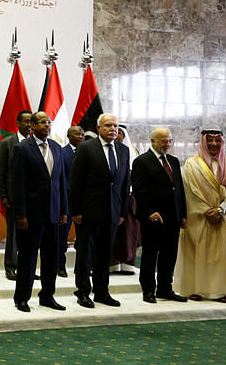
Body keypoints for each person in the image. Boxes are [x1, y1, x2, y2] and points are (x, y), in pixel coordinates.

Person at [69, 113, 130, 308]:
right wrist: (76, 211)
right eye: (108, 125)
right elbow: (75, 181)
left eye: (115, 125)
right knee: (85, 255)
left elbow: (123, 184)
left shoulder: (123, 150)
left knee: (105, 255)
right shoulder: (86, 148)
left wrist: (122, 212)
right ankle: (83, 292)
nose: (113, 129)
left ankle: (102, 292)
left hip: (112, 213)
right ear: (98, 129)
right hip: (88, 212)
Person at [10, 111, 68, 312]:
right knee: (28, 258)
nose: (47, 125)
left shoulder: (56, 148)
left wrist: (63, 210)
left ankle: (47, 296)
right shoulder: (22, 148)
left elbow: (61, 182)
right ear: (32, 126)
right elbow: (17, 184)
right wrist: (21, 214)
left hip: (53, 213)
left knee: (51, 258)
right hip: (31, 215)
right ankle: (22, 298)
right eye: (42, 122)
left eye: (48, 122)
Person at [131, 127, 187, 303]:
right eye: (164, 141)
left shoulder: (174, 161)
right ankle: (148, 290)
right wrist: (149, 212)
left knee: (169, 254)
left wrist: (183, 214)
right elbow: (139, 191)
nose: (167, 144)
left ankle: (165, 288)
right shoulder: (142, 161)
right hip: (154, 217)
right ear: (153, 141)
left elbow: (179, 190)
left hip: (173, 217)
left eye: (170, 140)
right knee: (150, 254)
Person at [174, 129, 226, 302]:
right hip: (198, 218)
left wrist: (221, 209)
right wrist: (207, 211)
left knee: (220, 256)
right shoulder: (192, 163)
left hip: (223, 218)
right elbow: (190, 192)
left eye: (217, 141)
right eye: (209, 140)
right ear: (203, 142)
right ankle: (196, 289)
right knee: (197, 254)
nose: (213, 144)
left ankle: (220, 291)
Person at [0, 110, 33, 281]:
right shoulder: (7, 143)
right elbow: (1, 171)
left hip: (33, 199)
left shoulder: (37, 143)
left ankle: (28, 267)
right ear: (18, 123)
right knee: (13, 235)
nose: (29, 124)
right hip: (13, 197)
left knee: (30, 235)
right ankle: (10, 267)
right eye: (25, 121)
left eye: (31, 121)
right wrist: (2, 195)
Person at [110, 124, 141, 275]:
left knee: (129, 231)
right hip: (113, 197)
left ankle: (128, 263)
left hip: (130, 197)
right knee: (113, 232)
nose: (118, 135)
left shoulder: (133, 152)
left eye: (120, 133)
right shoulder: (110, 151)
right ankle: (113, 263)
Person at [57, 125, 84, 277]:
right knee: (62, 238)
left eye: (82, 134)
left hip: (84, 203)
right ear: (68, 136)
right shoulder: (62, 153)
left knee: (83, 239)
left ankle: (82, 267)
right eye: (77, 134)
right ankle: (60, 265)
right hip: (66, 202)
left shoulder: (87, 152)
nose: (80, 136)